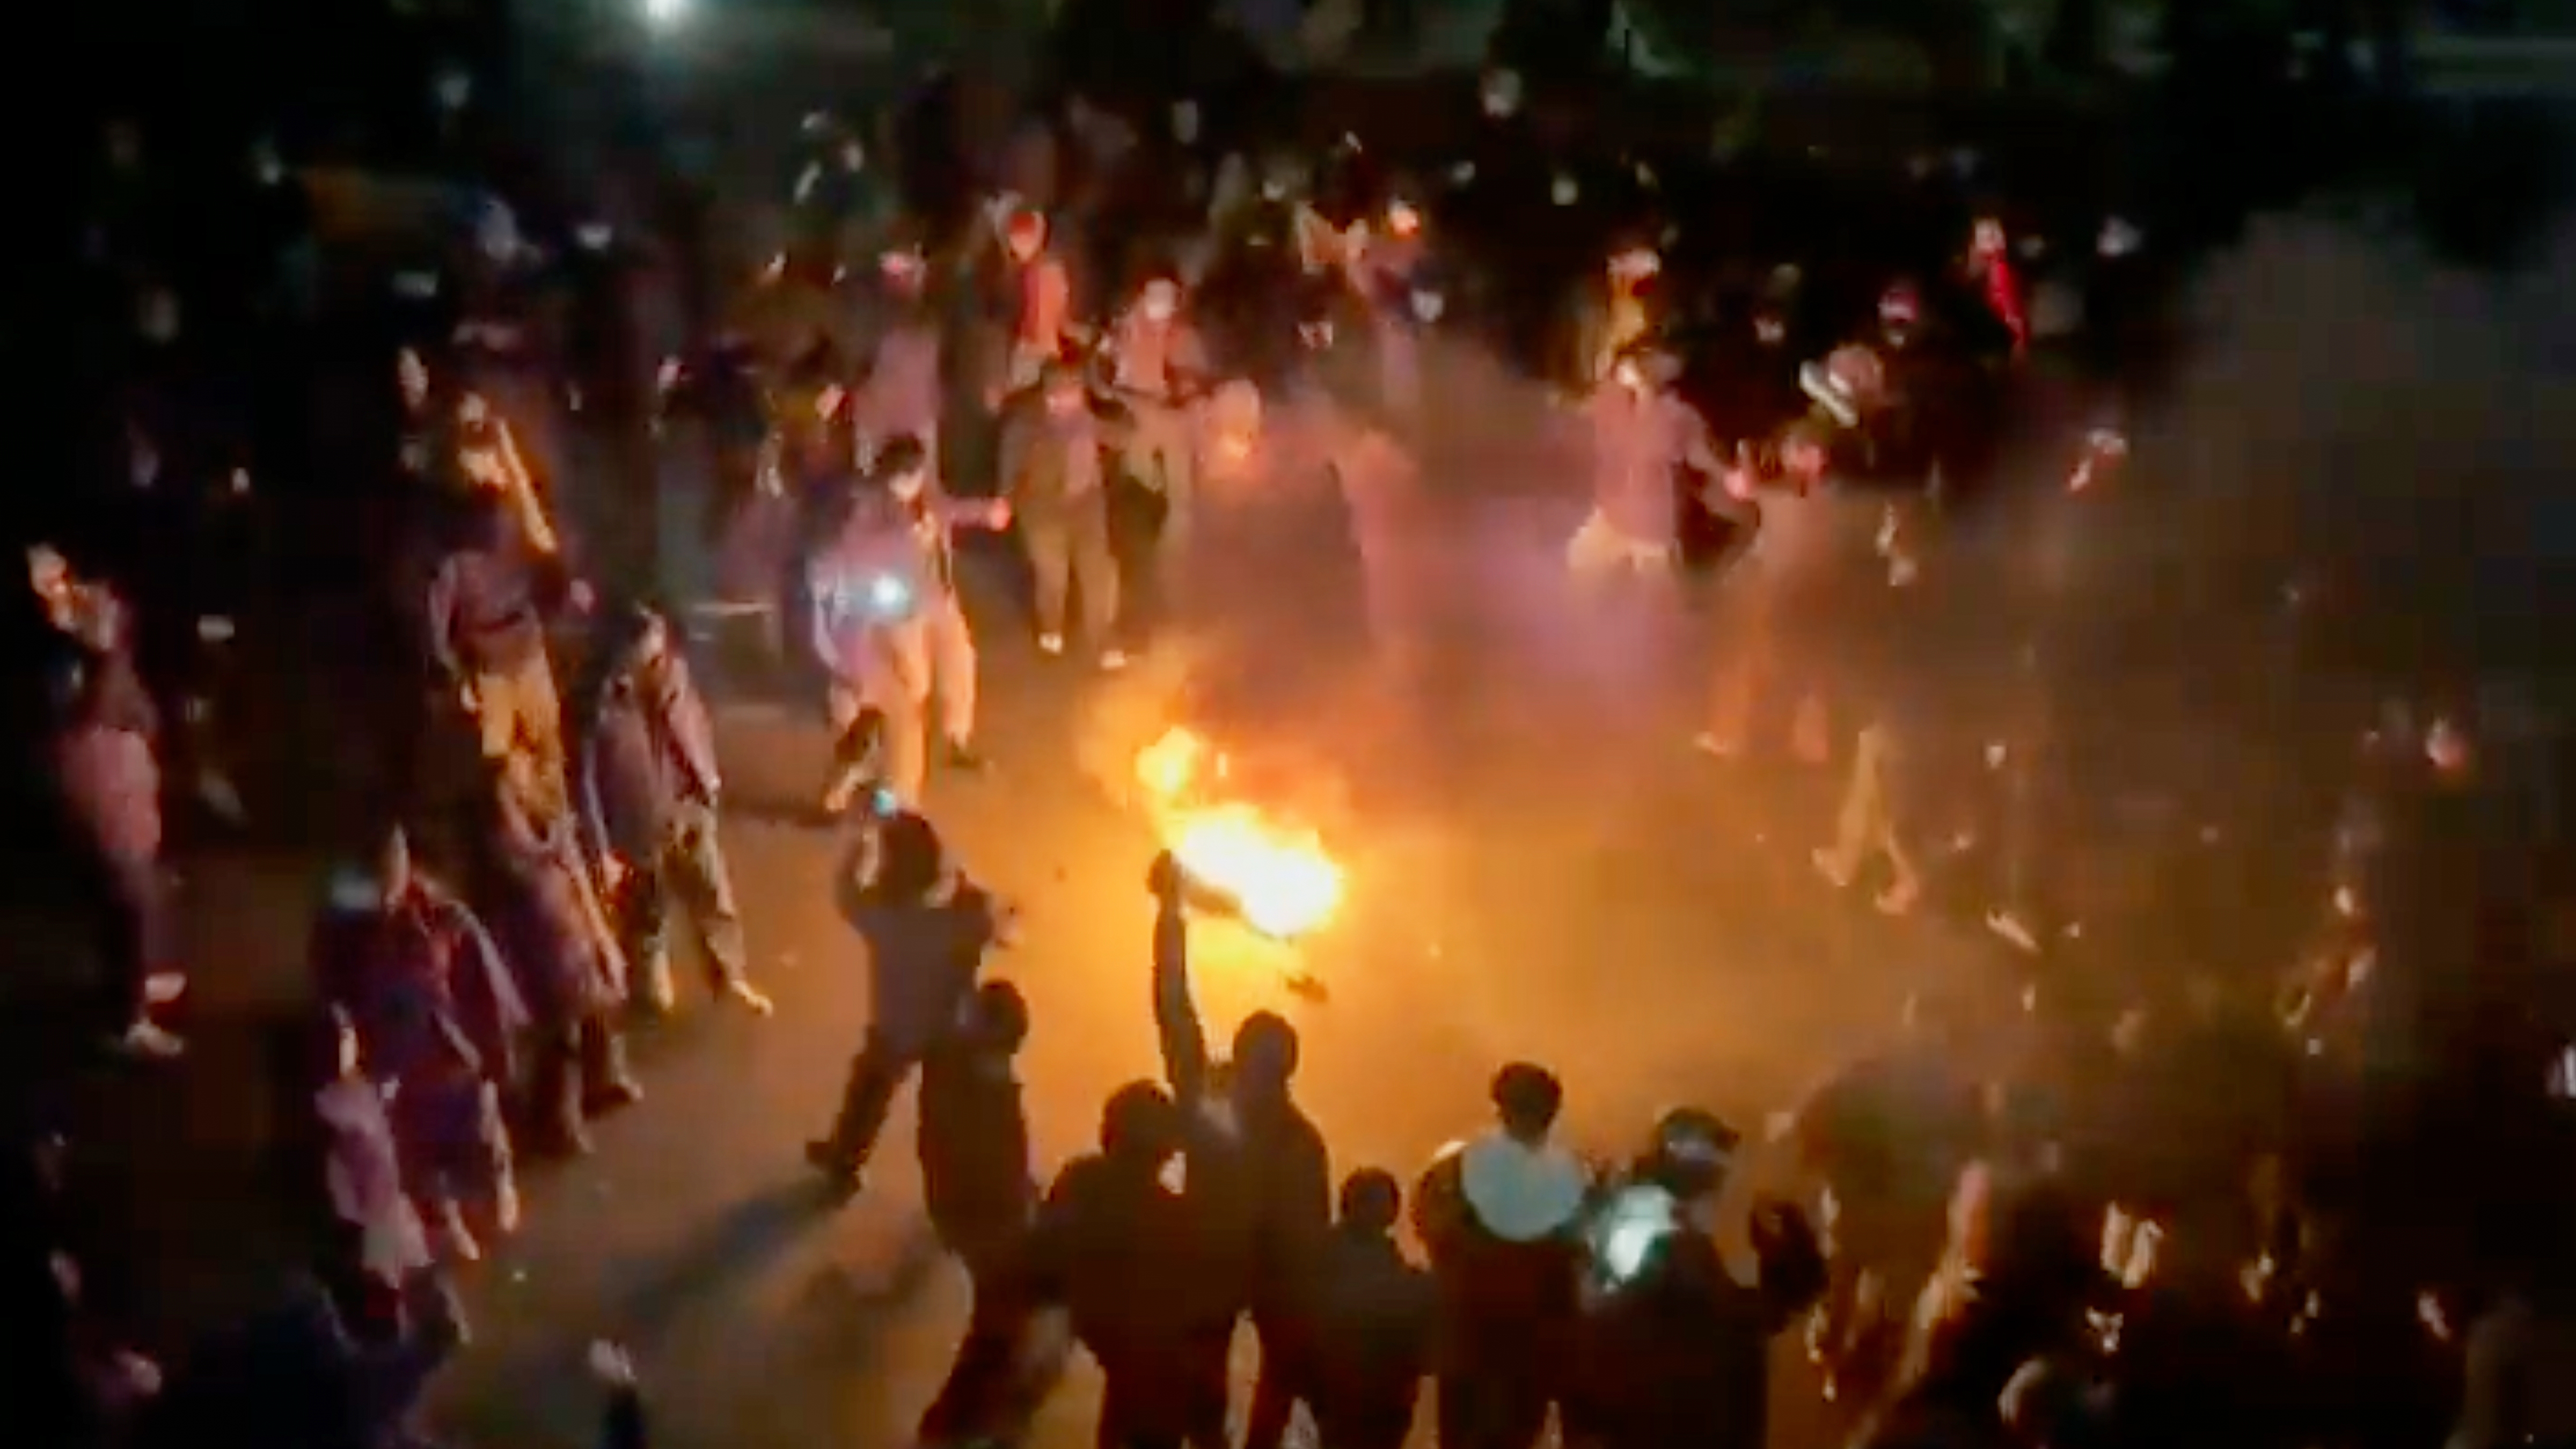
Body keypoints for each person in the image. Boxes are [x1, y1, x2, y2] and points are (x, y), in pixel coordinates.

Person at [1148, 851, 1333, 1449]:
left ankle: (1211, 1440)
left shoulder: (1207, 1104)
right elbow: (1312, 1235)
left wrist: (1170, 914)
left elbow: (1173, 1004)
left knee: (1202, 1372)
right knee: (1270, 1370)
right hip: (1263, 1275)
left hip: (1207, 1264)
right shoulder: (1302, 1142)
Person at [311, 829, 526, 1261]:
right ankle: (443, 1214)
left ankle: (491, 1183)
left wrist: (496, 1048)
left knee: (478, 1128)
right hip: (396, 1064)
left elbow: (482, 984)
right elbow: (333, 989)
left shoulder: (442, 915)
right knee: (418, 1151)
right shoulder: (345, 930)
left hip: (451, 1049)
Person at [1563, 1109, 1827, 1449]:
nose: (1724, 1172)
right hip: (1659, 1418)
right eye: (1716, 1159)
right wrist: (1788, 1272)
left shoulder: (1638, 1216)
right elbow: (1717, 1318)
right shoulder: (1656, 1227)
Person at [577, 604, 773, 1018]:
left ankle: (729, 975)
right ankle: (650, 986)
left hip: (687, 809)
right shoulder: (598, 707)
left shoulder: (674, 678)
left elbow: (693, 728)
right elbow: (586, 784)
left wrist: (708, 785)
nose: (656, 660)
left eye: (659, 650)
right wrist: (601, 850)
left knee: (712, 895)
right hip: (637, 827)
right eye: (647, 653)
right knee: (648, 910)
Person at [807, 810, 1012, 1191]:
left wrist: (861, 844)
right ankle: (961, 1182)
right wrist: (972, 890)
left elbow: (846, 892)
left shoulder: (881, 917)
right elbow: (991, 923)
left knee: (868, 1094)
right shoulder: (958, 922)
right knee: (946, 1117)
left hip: (893, 1029)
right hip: (947, 1030)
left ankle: (845, 1159)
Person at [806, 436, 1011, 813]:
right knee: (900, 709)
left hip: (918, 606)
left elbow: (950, 511)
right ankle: (883, 801)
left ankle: (879, 787)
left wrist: (987, 512)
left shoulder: (920, 506)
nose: (909, 483)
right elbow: (844, 555)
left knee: (947, 666)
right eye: (903, 477)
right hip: (891, 620)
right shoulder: (866, 512)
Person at [1412, 1061, 1590, 1449]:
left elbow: (1430, 1225)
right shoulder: (1569, 1177)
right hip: (1529, 1349)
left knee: (1461, 1436)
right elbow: (1582, 1257)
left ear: (1500, 1106)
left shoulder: (1458, 1167)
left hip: (1470, 1337)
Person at [475, 754, 639, 1158]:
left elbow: (578, 880)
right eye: (509, 793)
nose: (517, 794)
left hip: (572, 941)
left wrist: (601, 936)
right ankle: (558, 1121)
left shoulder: (554, 830)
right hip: (541, 954)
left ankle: (599, 1082)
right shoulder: (504, 857)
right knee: (560, 1036)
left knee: (596, 1013)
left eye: (520, 784)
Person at [912, 980, 1042, 1448]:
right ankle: (958, 1421)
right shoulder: (978, 1089)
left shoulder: (955, 1066)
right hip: (984, 1219)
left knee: (1004, 1318)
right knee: (1001, 1321)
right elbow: (984, 1161)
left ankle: (969, 1416)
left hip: (976, 1213)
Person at [46, 648, 185, 1058]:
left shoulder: (110, 736)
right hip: (120, 851)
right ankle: (128, 1019)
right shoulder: (92, 743)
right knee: (129, 925)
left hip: (128, 848)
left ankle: (128, 1011)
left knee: (130, 925)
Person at [427, 489, 581, 820]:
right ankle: (524, 817)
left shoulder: (519, 544)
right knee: (502, 758)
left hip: (527, 654)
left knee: (548, 741)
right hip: (490, 669)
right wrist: (452, 670)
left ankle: (554, 813)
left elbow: (551, 573)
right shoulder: (456, 566)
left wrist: (566, 597)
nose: (495, 526)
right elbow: (438, 623)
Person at [1275, 1167, 1436, 1449]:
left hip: (1358, 1396)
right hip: (1358, 1394)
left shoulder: (1323, 1258)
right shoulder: (1359, 1264)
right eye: (1376, 1202)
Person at [1568, 345, 1733, 583]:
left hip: (1651, 526)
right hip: (1613, 515)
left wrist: (1728, 475)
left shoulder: (1677, 416)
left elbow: (1701, 454)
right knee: (1580, 564)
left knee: (1657, 595)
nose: (1631, 368)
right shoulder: (1614, 403)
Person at [1002, 361, 1123, 667]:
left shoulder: (1086, 419)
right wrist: (1008, 504)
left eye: (1075, 393)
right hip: (1043, 509)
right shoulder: (1025, 426)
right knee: (1052, 575)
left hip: (1086, 505)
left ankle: (1103, 639)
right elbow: (1009, 469)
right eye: (1063, 394)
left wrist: (1123, 415)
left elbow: (1119, 435)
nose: (1070, 401)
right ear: (1048, 396)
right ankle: (1052, 628)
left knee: (1099, 573)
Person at [1096, 272, 1211, 547]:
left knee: (1180, 491)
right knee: (1136, 466)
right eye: (1155, 298)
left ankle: (1173, 551)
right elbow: (1103, 362)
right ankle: (1153, 509)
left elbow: (1198, 374)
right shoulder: (1124, 329)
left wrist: (1188, 394)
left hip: (1174, 417)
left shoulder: (1183, 335)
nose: (1161, 305)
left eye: (1167, 299)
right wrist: (1109, 388)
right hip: (1138, 410)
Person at [852, 233, 946, 478]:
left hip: (889, 417)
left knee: (881, 481)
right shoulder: (924, 321)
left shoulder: (874, 318)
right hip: (906, 417)